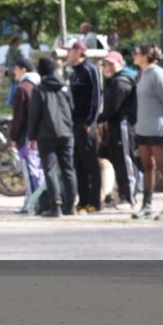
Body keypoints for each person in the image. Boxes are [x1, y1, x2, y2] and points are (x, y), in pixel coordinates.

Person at [131, 44, 163, 220]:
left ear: (145, 56)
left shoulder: (157, 74)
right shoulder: (141, 74)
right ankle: (147, 206)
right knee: (147, 166)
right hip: (143, 127)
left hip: (158, 127)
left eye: (136, 53)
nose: (134, 56)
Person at [27, 56, 76, 217]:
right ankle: (71, 205)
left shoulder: (40, 89)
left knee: (50, 169)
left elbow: (34, 114)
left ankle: (56, 206)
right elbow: (72, 108)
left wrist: (32, 136)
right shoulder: (64, 87)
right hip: (67, 133)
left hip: (46, 134)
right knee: (69, 169)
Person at [66, 40, 102, 213]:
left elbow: (96, 97)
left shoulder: (90, 69)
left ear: (79, 52)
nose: (67, 55)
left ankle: (94, 202)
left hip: (86, 123)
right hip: (75, 123)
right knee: (78, 163)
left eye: (70, 52)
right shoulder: (74, 73)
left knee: (90, 164)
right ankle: (83, 200)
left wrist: (90, 121)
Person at [98, 51, 137, 209]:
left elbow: (113, 107)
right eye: (106, 64)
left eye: (112, 64)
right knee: (117, 161)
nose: (108, 67)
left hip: (123, 125)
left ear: (121, 64)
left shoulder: (121, 82)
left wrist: (100, 118)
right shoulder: (113, 81)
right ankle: (122, 195)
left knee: (125, 161)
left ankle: (129, 197)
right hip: (114, 125)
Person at [8, 58, 42, 214]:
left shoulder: (23, 88)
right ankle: (39, 199)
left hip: (26, 136)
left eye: (15, 69)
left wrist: (13, 137)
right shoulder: (40, 85)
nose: (14, 72)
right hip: (41, 134)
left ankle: (33, 202)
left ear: (23, 70)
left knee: (29, 169)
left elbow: (19, 117)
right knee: (40, 169)